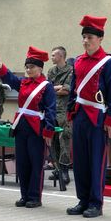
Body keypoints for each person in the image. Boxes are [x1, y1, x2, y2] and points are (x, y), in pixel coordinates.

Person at [66, 15, 111, 218]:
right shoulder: (79, 61)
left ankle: (95, 203)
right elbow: (73, 89)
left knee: (96, 161)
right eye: (84, 37)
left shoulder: (109, 63)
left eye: (90, 37)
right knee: (80, 161)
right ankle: (83, 200)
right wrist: (71, 111)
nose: (85, 41)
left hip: (98, 117)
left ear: (100, 39)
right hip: (80, 115)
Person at [0, 47, 56, 209]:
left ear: (40, 68)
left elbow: (50, 110)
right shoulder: (23, 82)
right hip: (21, 126)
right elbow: (9, 78)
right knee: (22, 162)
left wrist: (48, 130)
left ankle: (34, 196)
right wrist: (0, 66)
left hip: (36, 128)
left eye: (31, 67)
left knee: (36, 163)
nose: (28, 70)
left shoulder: (46, 86)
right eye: (27, 67)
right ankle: (24, 195)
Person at [47, 46, 73, 184]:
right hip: (52, 110)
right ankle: (57, 168)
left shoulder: (70, 70)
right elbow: (46, 88)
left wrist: (53, 88)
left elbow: (67, 90)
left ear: (61, 56)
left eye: (53, 55)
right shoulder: (51, 71)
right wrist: (57, 87)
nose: (51, 57)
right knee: (54, 141)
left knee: (64, 140)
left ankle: (64, 171)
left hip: (64, 110)